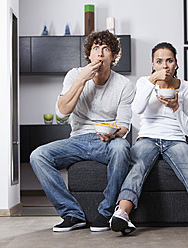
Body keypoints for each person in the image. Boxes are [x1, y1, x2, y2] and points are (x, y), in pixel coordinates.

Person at [109, 42, 188, 235]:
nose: (165, 66)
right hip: (147, 138)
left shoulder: (186, 88)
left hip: (176, 140)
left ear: (176, 63)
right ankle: (121, 214)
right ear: (153, 64)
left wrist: (176, 108)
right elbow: (136, 109)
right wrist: (152, 80)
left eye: (169, 60)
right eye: (159, 61)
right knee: (136, 167)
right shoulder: (144, 82)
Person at [30, 30, 135, 233]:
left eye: (106, 49)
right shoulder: (73, 75)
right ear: (89, 54)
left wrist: (113, 134)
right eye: (96, 48)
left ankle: (106, 213)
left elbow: (124, 125)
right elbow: (61, 113)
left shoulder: (124, 85)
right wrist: (81, 80)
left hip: (106, 141)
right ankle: (72, 214)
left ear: (113, 57)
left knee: (122, 148)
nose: (100, 54)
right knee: (38, 156)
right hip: (77, 139)